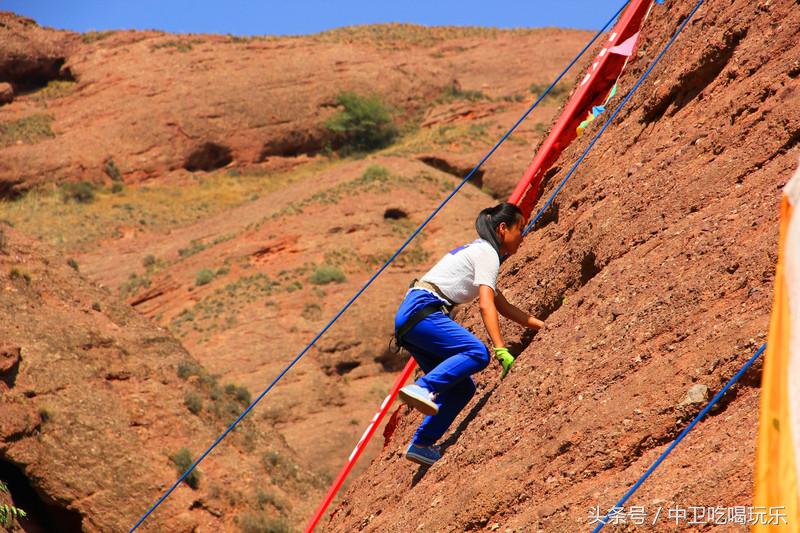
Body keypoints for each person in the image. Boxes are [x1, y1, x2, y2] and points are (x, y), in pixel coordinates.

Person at [394, 202, 544, 466]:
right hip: (423, 309)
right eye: (520, 228)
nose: (523, 234)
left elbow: (503, 306)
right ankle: (423, 387)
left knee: (462, 389)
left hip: (412, 318)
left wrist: (543, 326)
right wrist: (499, 349)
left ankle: (422, 444)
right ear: (502, 228)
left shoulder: (479, 252)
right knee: (476, 353)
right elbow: (486, 305)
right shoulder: (487, 253)